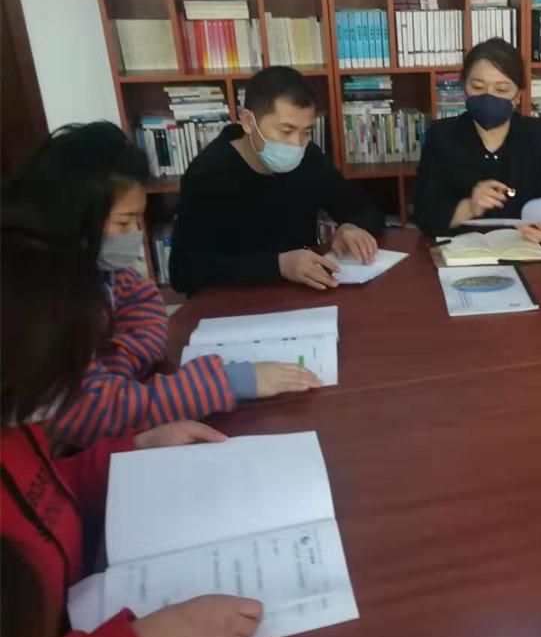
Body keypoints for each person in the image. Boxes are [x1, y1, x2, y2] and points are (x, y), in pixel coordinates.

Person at [0, 205, 263, 637]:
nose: (80, 383)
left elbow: (44, 488)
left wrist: (130, 451)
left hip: (93, 596)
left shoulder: (16, 431)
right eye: (69, 366)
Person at [9, 122, 320, 449]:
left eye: (138, 220)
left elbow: (143, 300)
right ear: (76, 220)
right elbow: (91, 412)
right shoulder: (40, 302)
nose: (135, 234)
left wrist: (115, 367)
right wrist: (226, 382)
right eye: (123, 222)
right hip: (56, 461)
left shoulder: (98, 271)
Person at [169, 66, 383, 294]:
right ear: (248, 121)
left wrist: (351, 227)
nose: (297, 144)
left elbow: (367, 210)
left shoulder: (309, 158)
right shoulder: (207, 174)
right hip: (234, 301)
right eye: (286, 131)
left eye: (306, 132)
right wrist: (279, 265)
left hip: (302, 294)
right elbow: (184, 272)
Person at [415, 38, 541, 240]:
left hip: (528, 249)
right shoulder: (441, 135)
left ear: (518, 96)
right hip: (461, 251)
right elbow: (423, 215)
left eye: (501, 90)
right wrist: (469, 207)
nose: (489, 97)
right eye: (477, 87)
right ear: (464, 88)